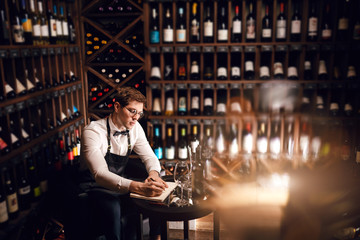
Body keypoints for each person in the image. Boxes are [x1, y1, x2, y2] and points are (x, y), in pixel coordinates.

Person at [78, 86, 167, 240]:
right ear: (117, 106)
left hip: (120, 182)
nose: (136, 117)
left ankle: (155, 237)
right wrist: (138, 186)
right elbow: (100, 174)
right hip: (94, 186)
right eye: (132, 111)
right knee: (113, 209)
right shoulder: (93, 131)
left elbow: (150, 157)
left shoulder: (135, 128)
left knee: (155, 196)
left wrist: (154, 175)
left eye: (139, 113)